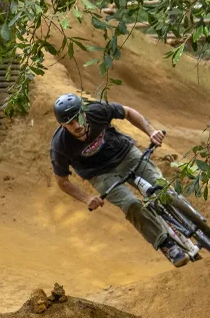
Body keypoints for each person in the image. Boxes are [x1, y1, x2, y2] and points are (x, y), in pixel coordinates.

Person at [49, 93, 189, 267]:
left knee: (160, 185)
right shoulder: (59, 146)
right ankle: (167, 245)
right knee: (131, 204)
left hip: (126, 154)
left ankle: (186, 211)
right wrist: (87, 198)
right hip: (100, 174)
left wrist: (151, 132)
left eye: (77, 118)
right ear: (62, 125)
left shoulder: (97, 110)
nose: (76, 125)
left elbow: (128, 112)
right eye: (70, 123)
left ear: (83, 112)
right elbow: (62, 181)